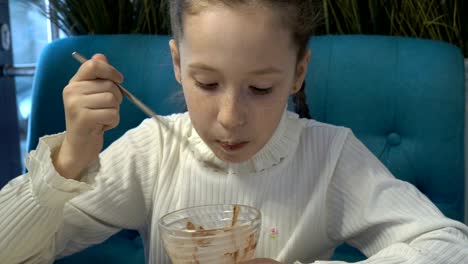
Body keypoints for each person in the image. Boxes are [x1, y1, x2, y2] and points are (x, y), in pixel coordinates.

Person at [1, 0, 468, 263]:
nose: (229, 117)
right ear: (178, 64)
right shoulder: (154, 149)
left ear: (298, 72)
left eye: (261, 88)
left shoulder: (330, 157)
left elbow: (450, 246)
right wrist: (69, 161)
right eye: (206, 83)